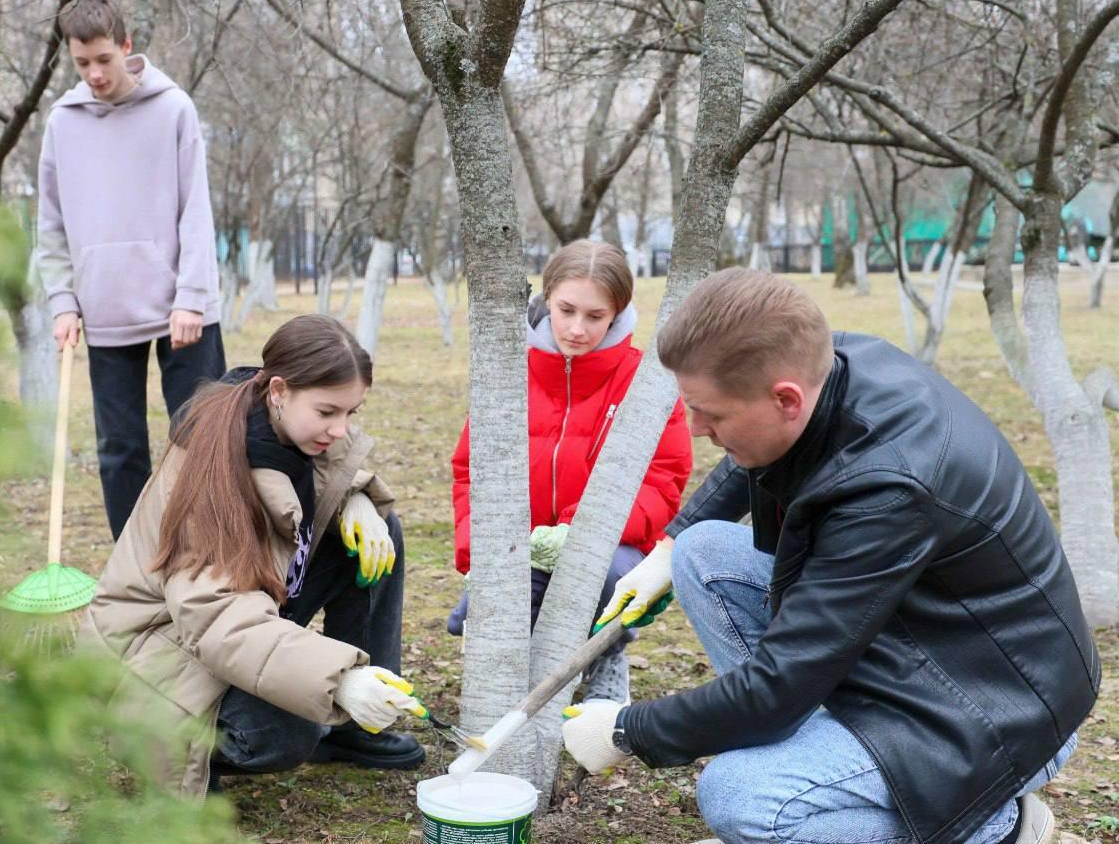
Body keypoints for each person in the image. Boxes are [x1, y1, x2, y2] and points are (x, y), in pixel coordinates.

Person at [562, 268, 1099, 844]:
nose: (695, 429)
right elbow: (752, 454)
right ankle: (819, 766)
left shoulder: (888, 491)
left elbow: (781, 683)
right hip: (924, 642)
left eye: (710, 415)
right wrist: (668, 547)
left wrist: (626, 730)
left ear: (785, 398)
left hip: (1001, 709)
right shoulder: (831, 360)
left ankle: (998, 827)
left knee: (740, 797)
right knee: (704, 552)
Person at [78, 315, 426, 798]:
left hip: (237, 612)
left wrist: (358, 500)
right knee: (288, 727)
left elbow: (326, 475)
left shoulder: (274, 420)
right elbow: (216, 617)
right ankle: (197, 746)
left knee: (379, 534)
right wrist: (339, 682)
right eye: (328, 412)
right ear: (279, 390)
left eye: (352, 412)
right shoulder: (212, 473)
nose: (341, 430)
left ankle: (361, 723)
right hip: (159, 653)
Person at [448, 240, 692, 703]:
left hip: (607, 545)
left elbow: (664, 480)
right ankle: (524, 665)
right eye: (566, 310)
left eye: (595, 316)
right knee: (471, 615)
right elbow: (469, 471)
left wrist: (580, 531)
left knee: (608, 576)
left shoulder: (646, 381)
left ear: (618, 314)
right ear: (546, 300)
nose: (577, 329)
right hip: (519, 544)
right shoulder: (508, 373)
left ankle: (604, 659)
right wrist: (477, 551)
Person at [37, 0, 225, 540]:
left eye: (102, 59)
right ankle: (133, 571)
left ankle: (207, 557)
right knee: (119, 450)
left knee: (200, 443)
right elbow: (49, 222)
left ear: (125, 46)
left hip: (182, 310)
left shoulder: (173, 109)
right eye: (81, 64)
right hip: (105, 310)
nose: (94, 74)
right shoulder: (62, 123)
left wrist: (192, 295)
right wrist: (62, 301)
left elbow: (196, 210)